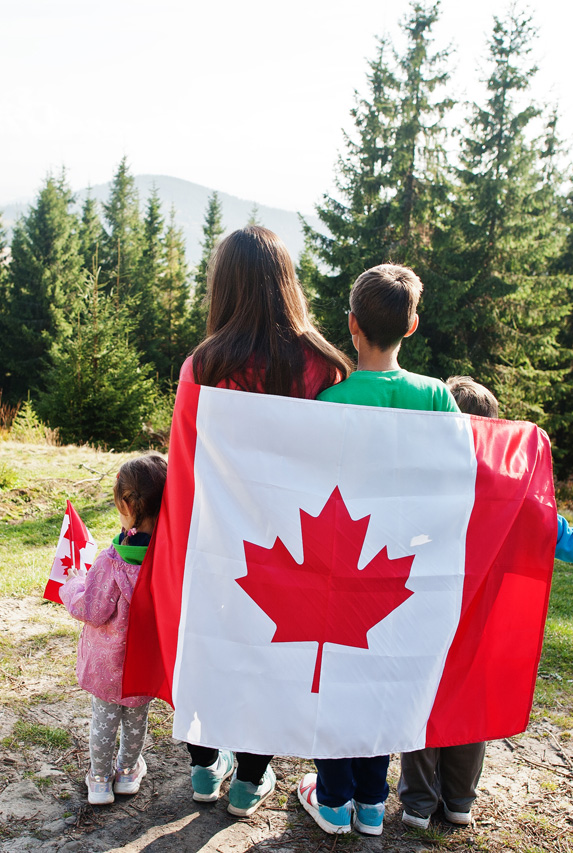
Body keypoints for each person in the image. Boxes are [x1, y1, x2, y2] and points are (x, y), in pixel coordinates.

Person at [397, 375, 573, 829]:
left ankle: (417, 805)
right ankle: (460, 802)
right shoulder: (521, 499)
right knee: (472, 706)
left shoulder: (425, 490)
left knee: (426, 703)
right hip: (487, 629)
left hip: (430, 619)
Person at [179, 225, 353, 817]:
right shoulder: (325, 368)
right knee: (271, 655)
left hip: (219, 538)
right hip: (294, 543)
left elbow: (187, 463)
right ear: (286, 285)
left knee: (210, 644)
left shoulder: (202, 366)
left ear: (223, 286)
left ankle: (204, 770)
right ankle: (252, 779)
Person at [296, 264, 459, 838]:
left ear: (352, 326)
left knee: (339, 678)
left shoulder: (331, 399)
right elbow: (460, 478)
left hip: (340, 564)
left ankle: (333, 799)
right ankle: (371, 804)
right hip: (407, 568)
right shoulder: (438, 397)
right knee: (385, 679)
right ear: (413, 325)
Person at [61, 453, 167, 806]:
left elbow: (92, 609)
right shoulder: (168, 559)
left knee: (104, 722)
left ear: (126, 503)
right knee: (136, 722)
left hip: (108, 665)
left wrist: (73, 585)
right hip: (144, 665)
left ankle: (100, 780)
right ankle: (126, 773)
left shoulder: (111, 561)